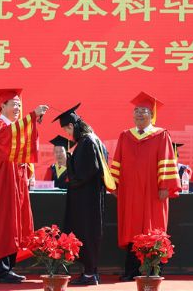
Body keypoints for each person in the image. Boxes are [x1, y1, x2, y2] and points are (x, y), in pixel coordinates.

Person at [110, 92, 181, 281]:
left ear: (152, 115)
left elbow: (166, 161)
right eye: (136, 111)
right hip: (130, 191)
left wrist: (165, 186)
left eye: (144, 111)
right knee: (132, 228)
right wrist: (115, 185)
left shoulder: (161, 135)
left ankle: (153, 269)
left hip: (153, 192)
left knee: (153, 228)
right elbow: (117, 162)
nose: (139, 114)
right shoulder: (125, 136)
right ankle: (132, 270)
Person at [0, 88, 49, 284]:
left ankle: (8, 268)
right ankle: (0, 270)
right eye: (14, 104)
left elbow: (25, 143)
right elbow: (7, 140)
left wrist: (32, 122)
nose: (18, 108)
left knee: (15, 222)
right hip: (2, 183)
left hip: (16, 182)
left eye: (20, 105)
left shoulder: (15, 127)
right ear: (2, 106)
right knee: (3, 222)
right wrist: (32, 117)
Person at [54, 104, 112, 285]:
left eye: (66, 130)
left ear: (72, 125)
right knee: (91, 233)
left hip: (87, 199)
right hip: (92, 197)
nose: (67, 134)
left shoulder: (87, 142)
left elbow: (84, 173)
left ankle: (89, 274)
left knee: (87, 233)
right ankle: (91, 271)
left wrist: (69, 162)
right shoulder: (95, 140)